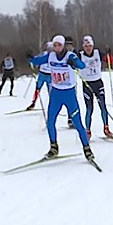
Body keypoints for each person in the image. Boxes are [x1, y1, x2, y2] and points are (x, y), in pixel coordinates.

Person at [27, 34, 95, 164]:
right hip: (56, 94)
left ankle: (87, 149)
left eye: (59, 45)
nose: (57, 47)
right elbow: (36, 61)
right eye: (55, 45)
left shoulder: (70, 55)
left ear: (63, 45)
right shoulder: (51, 56)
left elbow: (81, 66)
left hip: (69, 94)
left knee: (78, 123)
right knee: (50, 121)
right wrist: (29, 57)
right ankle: (53, 147)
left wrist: (74, 63)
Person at [78, 35, 113, 138]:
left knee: (103, 106)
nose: (88, 48)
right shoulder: (80, 55)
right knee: (89, 109)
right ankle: (87, 130)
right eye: (86, 46)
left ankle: (106, 128)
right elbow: (73, 64)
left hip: (98, 83)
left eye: (90, 46)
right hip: (87, 84)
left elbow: (110, 62)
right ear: (83, 47)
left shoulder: (98, 53)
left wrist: (108, 54)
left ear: (92, 46)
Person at [27, 41, 53, 111]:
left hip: (50, 76)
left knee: (51, 91)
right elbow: (35, 60)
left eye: (51, 48)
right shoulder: (43, 54)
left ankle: (52, 106)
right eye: (49, 48)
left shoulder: (54, 56)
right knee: (37, 89)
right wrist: (30, 58)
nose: (50, 50)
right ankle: (33, 103)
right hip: (42, 74)